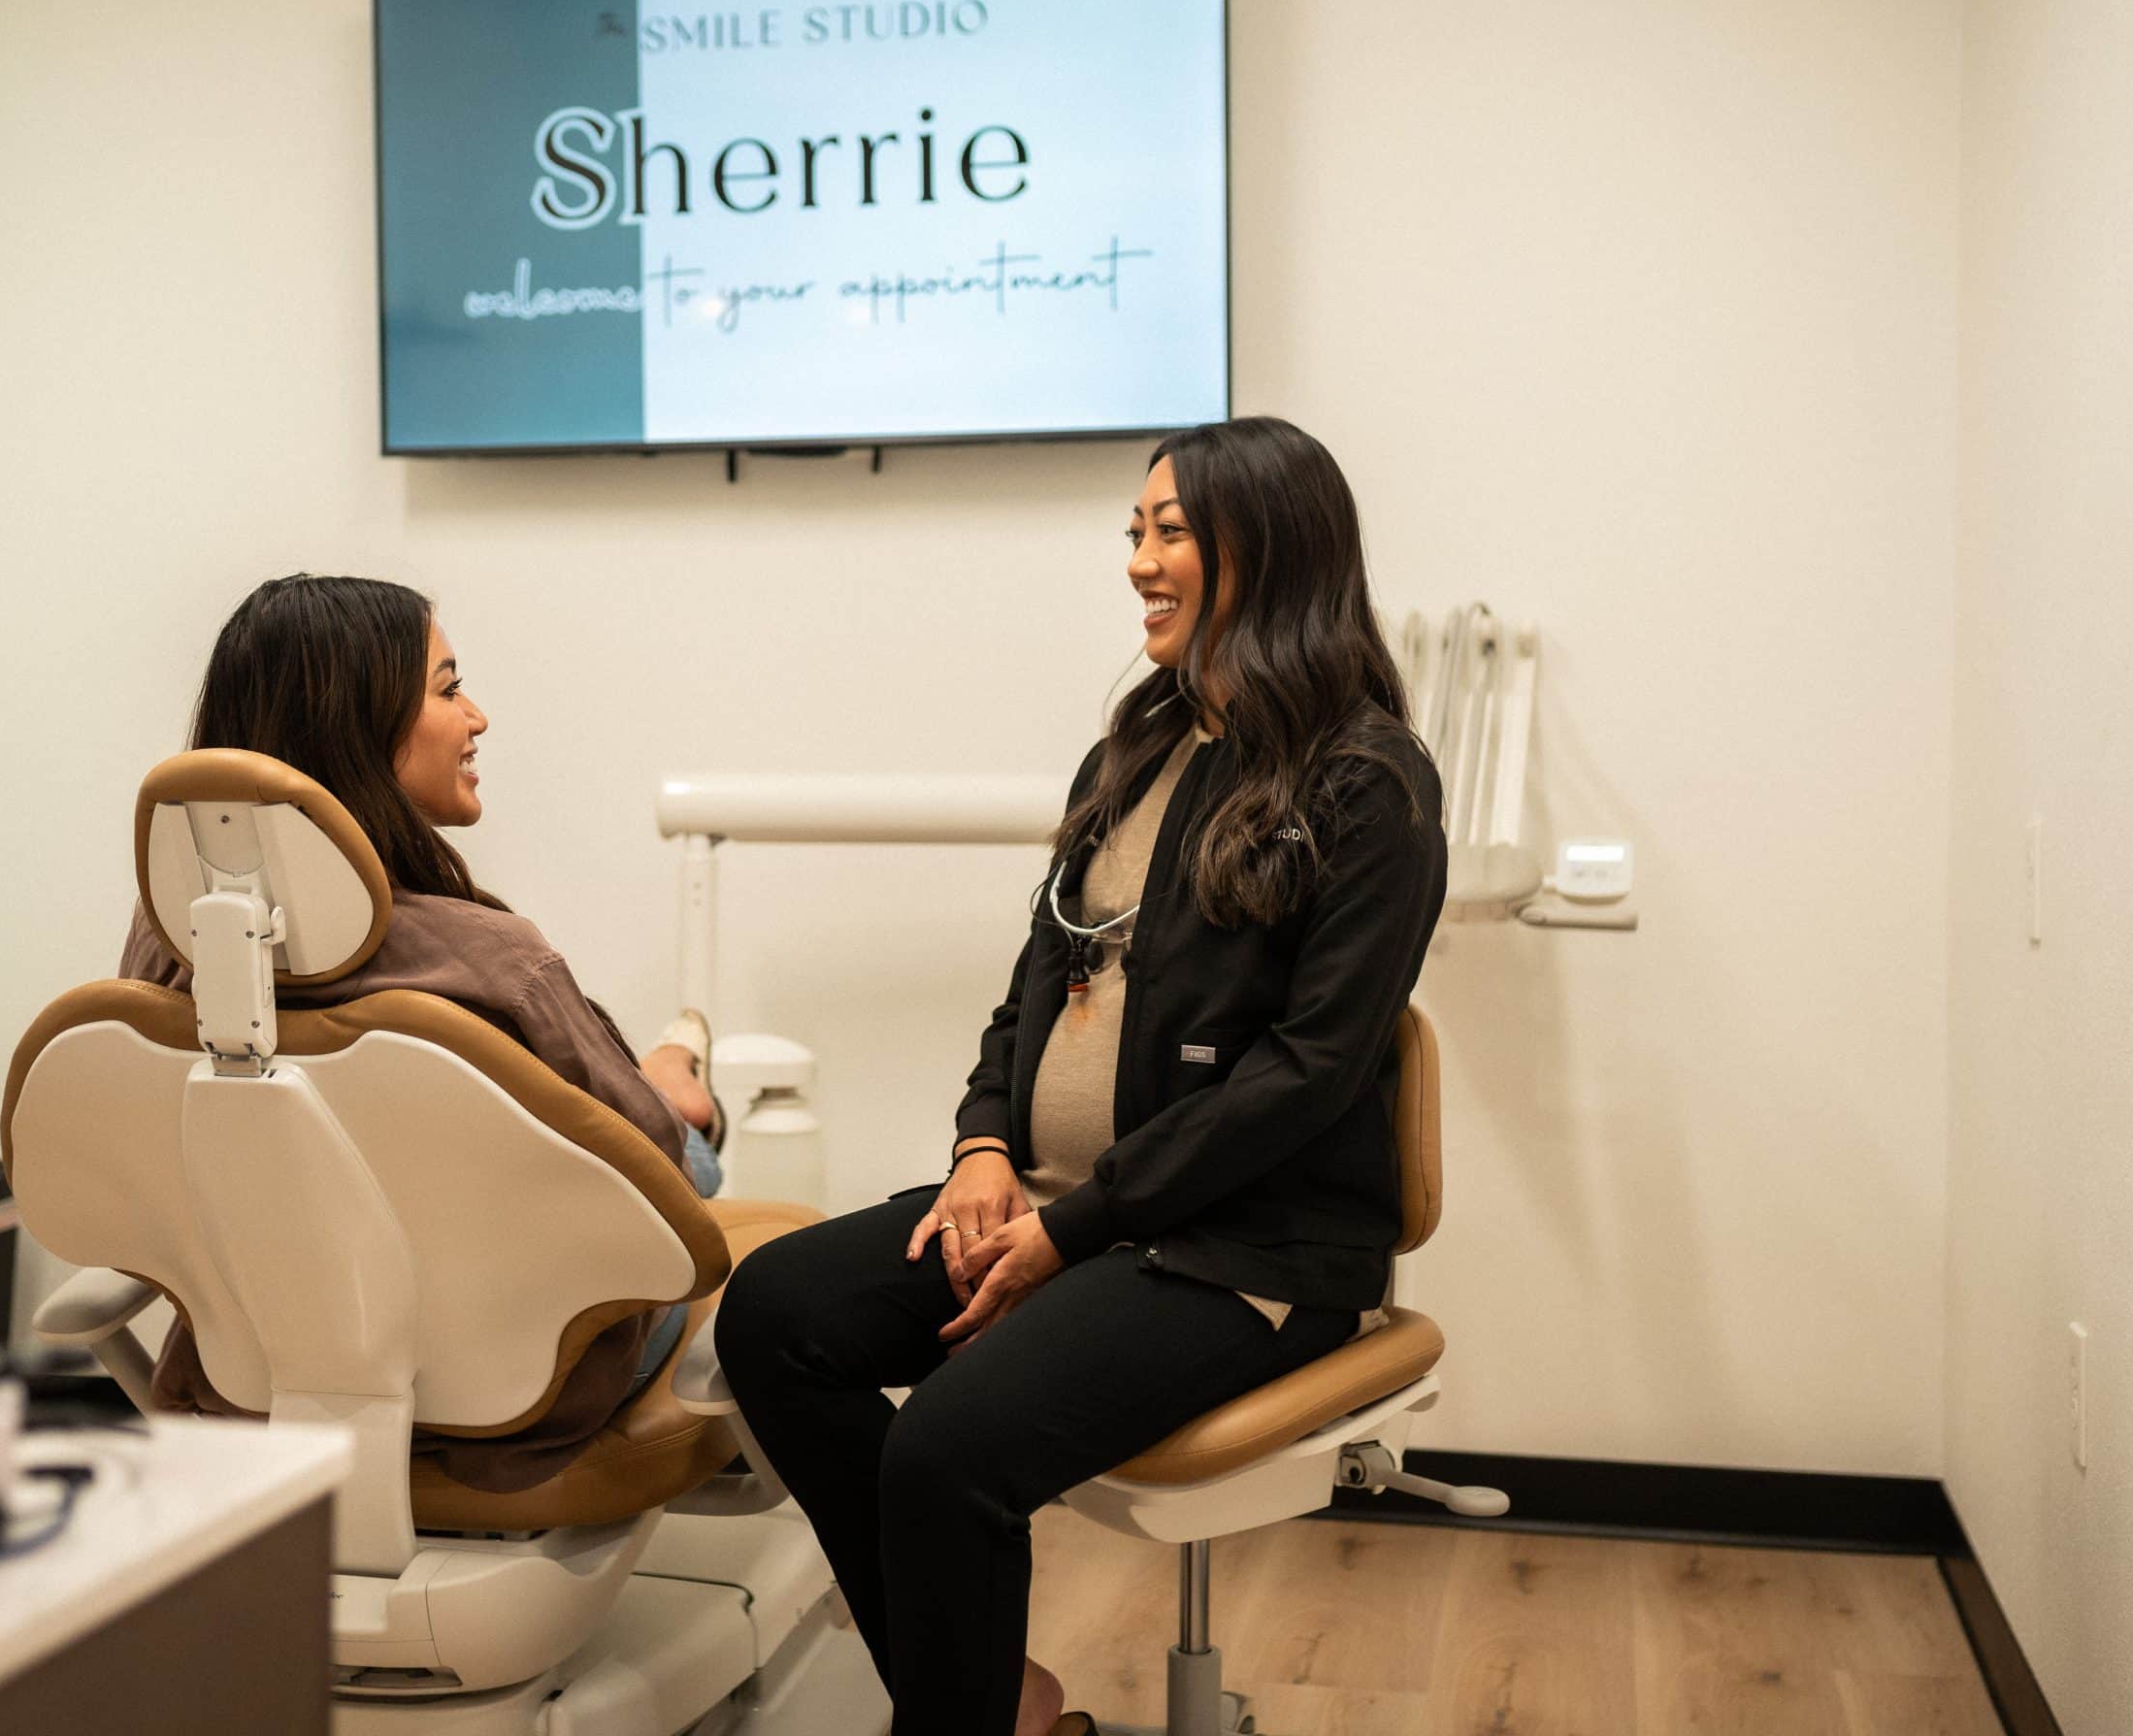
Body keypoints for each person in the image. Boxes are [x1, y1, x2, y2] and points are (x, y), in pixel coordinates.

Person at [717, 417, 1449, 1736]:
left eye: (1171, 531)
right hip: (1059, 1204)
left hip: (1241, 1254)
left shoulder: (1368, 786)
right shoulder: (1139, 747)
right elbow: (1035, 989)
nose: (1140, 563)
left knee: (947, 1449)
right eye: (1136, 532)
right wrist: (984, 1151)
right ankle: (995, 1697)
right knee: (776, 1313)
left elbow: (1310, 1073)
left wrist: (1077, 1225)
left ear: (1267, 548)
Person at [117, 573, 724, 1490]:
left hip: (251, 1387)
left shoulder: (169, 948)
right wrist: (671, 1108)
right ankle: (680, 1077)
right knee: (692, 1143)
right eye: (447, 688)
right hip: (521, 1399)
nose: (475, 716)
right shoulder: (494, 962)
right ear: (356, 729)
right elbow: (658, 1177)